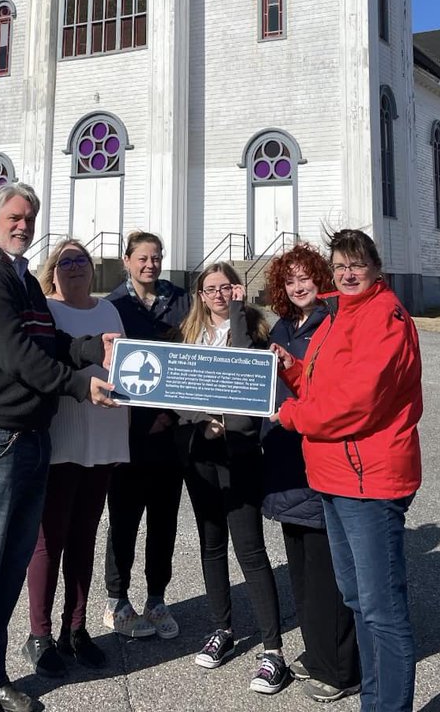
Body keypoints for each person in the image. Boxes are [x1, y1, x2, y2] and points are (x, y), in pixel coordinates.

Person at [0, 184, 120, 712]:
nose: (24, 224)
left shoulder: (20, 280)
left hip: (29, 437)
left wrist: (93, 347)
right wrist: (77, 385)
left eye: (31, 217)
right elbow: (17, 355)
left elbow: (50, 342)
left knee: (9, 567)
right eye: (15, 216)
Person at [273, 229, 422, 712]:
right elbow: (325, 380)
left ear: (376, 267)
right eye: (339, 266)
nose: (347, 273)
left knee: (382, 610)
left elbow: (357, 401)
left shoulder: (384, 318)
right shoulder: (339, 313)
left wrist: (292, 415)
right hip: (335, 474)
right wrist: (292, 369)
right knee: (358, 600)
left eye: (356, 265)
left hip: (369, 478)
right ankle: (374, 702)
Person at [178, 264, 288, 696]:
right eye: (212, 289)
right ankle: (222, 628)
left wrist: (241, 312)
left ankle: (272, 650)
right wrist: (201, 422)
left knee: (250, 548)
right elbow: (177, 395)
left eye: (227, 287)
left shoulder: (252, 329)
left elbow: (246, 372)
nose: (220, 294)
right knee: (211, 544)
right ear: (201, 295)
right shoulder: (189, 335)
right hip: (201, 450)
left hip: (240, 453)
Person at [23, 239, 129, 678]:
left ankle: (77, 627)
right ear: (53, 271)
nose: (74, 267)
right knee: (51, 538)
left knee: (86, 534)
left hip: (103, 435)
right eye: (65, 261)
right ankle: (40, 634)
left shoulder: (109, 311)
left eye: (81, 260)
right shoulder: (47, 309)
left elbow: (128, 364)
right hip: (63, 436)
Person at [261, 244, 361, 703]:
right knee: (300, 568)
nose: (298, 286)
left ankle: (341, 669)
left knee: (327, 572)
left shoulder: (333, 323)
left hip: (317, 459)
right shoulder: (284, 327)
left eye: (305, 277)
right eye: (289, 280)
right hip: (285, 458)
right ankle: (317, 650)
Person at [102, 231, 189, 639]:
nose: (150, 264)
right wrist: (140, 419)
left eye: (156, 257)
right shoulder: (114, 307)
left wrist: (171, 412)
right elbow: (109, 371)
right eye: (142, 258)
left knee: (164, 520)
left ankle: (157, 597)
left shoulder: (180, 301)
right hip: (128, 434)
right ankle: (117, 600)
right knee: (123, 519)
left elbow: (194, 358)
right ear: (127, 260)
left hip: (169, 433)